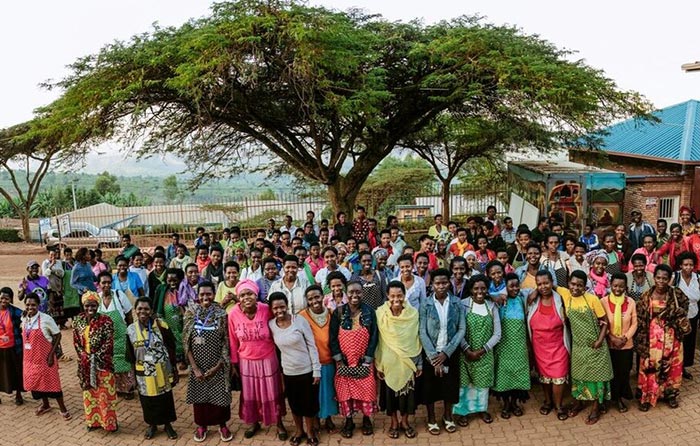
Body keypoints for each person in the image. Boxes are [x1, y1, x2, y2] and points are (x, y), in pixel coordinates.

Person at [228, 279, 287, 440]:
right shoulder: (233, 313)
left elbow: (279, 327)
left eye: (250, 294)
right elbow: (232, 340)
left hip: (268, 359)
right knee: (250, 394)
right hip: (246, 361)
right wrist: (234, 362)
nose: (246, 298)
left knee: (272, 392)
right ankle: (254, 422)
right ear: (238, 297)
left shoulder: (266, 309)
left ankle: (279, 423)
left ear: (256, 295)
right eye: (242, 295)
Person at [558, 271, 613, 425]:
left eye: (580, 285)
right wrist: (535, 292)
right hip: (578, 347)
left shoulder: (592, 299)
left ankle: (596, 407)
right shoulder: (565, 294)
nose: (575, 288)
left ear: (585, 286)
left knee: (596, 377)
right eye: (573, 284)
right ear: (568, 283)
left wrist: (600, 341)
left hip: (595, 346)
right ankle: (579, 402)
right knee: (579, 376)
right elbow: (549, 285)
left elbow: (605, 321)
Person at [269, 292, 322, 446]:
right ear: (271, 309)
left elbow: (312, 345)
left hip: (306, 371)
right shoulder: (271, 325)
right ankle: (299, 431)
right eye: (275, 308)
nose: (279, 310)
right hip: (289, 372)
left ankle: (311, 431)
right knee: (295, 405)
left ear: (287, 305)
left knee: (309, 405)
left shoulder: (300, 321)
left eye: (282, 306)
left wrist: (316, 370)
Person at [183, 281, 234, 442]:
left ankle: (223, 425)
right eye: (202, 294)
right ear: (198, 296)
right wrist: (195, 368)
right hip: (197, 365)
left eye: (209, 294)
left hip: (218, 364)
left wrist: (218, 366)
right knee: (200, 398)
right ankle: (202, 426)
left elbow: (226, 342)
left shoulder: (221, 313)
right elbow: (186, 343)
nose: (206, 297)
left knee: (220, 397)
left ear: (213, 294)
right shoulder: (191, 313)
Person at [636, 264, 690, 410]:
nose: (661, 281)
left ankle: (670, 395)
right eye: (658, 278)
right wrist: (641, 341)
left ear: (669, 279)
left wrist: (673, 317)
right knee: (650, 365)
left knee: (672, 366)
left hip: (672, 337)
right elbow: (640, 319)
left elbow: (685, 306)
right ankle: (647, 397)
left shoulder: (676, 294)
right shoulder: (646, 296)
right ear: (653, 278)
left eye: (664, 278)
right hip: (651, 338)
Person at [419, 268, 466, 435]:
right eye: (437, 283)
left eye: (444, 282)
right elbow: (422, 331)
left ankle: (447, 417)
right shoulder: (425, 303)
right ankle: (431, 418)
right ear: (432, 284)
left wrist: (446, 353)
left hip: (450, 352)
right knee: (430, 388)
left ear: (449, 282)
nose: (441, 286)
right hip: (430, 353)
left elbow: (461, 329)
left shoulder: (456, 303)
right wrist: (433, 356)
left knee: (450, 386)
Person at [330, 280, 379, 438]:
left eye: (358, 292)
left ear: (362, 293)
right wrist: (339, 359)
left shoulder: (370, 312)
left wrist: (368, 358)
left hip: (364, 360)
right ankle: (349, 421)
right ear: (346, 293)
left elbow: (374, 337)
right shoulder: (338, 312)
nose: (354, 295)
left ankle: (366, 420)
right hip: (344, 361)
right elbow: (332, 339)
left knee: (367, 390)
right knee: (345, 393)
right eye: (351, 292)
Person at [127, 297, 180, 439]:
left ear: (151, 311)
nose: (143, 311)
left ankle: (168, 425)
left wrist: (174, 368)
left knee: (165, 397)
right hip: (143, 370)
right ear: (135, 311)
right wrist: (132, 376)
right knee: (147, 399)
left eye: (146, 309)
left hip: (162, 368)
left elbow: (171, 346)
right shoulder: (131, 330)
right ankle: (152, 425)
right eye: (140, 308)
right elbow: (130, 355)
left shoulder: (161, 325)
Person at [375, 281, 421, 439]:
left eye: (399, 295)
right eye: (393, 296)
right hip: (388, 362)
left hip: (408, 362)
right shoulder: (380, 313)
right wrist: (379, 364)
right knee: (390, 396)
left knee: (407, 396)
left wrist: (419, 363)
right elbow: (378, 340)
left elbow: (416, 339)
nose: (396, 299)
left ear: (404, 295)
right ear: (387, 296)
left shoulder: (413, 314)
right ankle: (394, 422)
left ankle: (405, 422)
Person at [453, 274, 501, 426]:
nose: (479, 291)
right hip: (465, 353)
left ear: (487, 290)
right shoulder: (462, 305)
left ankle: (482, 409)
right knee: (464, 384)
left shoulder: (492, 306)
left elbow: (497, 334)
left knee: (482, 384)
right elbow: (458, 330)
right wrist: (467, 350)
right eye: (476, 288)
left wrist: (482, 350)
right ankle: (463, 412)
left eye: (483, 288)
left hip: (485, 354)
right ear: (471, 290)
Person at [526, 270, 570, 421]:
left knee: (558, 376)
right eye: (539, 284)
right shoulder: (531, 300)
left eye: (546, 283)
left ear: (552, 282)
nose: (543, 286)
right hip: (539, 347)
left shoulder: (561, 298)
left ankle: (558, 405)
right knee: (544, 377)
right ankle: (548, 401)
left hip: (559, 345)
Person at [72, 291, 118, 432]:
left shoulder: (106, 321)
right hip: (85, 365)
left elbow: (108, 342)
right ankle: (93, 422)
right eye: (87, 305)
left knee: (105, 395)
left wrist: (94, 357)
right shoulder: (78, 320)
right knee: (89, 394)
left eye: (93, 305)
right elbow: (76, 341)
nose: (90, 308)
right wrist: (84, 356)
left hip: (102, 364)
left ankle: (109, 423)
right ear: (83, 305)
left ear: (97, 306)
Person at [22, 293, 71, 420]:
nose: (30, 307)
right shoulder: (25, 319)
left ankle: (63, 409)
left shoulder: (45, 319)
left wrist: (51, 354)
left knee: (53, 384)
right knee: (37, 384)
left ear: (38, 305)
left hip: (45, 358)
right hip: (30, 359)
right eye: (28, 305)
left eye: (33, 305)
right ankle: (45, 405)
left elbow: (57, 335)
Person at [300, 285, 339, 434]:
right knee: (313, 394)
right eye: (310, 299)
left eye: (317, 297)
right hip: (311, 364)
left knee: (329, 392)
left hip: (329, 360)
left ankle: (328, 419)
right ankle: (315, 420)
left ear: (323, 296)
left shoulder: (331, 313)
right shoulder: (302, 316)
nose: (314, 301)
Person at [493, 274, 530, 418]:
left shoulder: (522, 298)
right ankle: (506, 404)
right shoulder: (500, 299)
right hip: (503, 344)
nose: (514, 288)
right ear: (505, 287)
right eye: (511, 286)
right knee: (503, 373)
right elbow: (486, 295)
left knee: (518, 373)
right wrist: (498, 296)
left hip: (519, 345)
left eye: (516, 285)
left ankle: (515, 402)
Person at [600, 273, 637, 412]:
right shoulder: (603, 301)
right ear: (610, 286)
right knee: (608, 373)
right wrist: (612, 338)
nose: (618, 288)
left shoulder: (631, 302)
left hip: (626, 345)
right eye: (615, 285)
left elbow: (635, 323)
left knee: (623, 373)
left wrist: (625, 338)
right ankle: (605, 400)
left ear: (625, 287)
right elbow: (602, 323)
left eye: (621, 286)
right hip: (609, 345)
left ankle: (619, 399)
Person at [96, 270, 135, 399]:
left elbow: (129, 315)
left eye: (108, 282)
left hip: (121, 336)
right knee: (111, 363)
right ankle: (118, 388)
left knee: (125, 362)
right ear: (99, 284)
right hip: (106, 340)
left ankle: (128, 389)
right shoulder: (97, 298)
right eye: (103, 283)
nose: (106, 285)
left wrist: (130, 332)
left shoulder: (119, 295)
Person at [673, 251, 700, 380]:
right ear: (680, 265)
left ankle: (683, 367)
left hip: (693, 315)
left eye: (691, 265)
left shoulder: (698, 278)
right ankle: (675, 369)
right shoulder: (675, 277)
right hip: (678, 318)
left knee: (689, 344)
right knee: (678, 344)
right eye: (685, 264)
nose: (688, 267)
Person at [153, 268, 186, 369]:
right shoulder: (162, 289)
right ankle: (173, 365)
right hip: (167, 321)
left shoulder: (183, 290)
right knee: (169, 342)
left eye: (175, 280)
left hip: (180, 321)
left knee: (182, 340)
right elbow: (156, 304)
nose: (172, 283)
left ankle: (183, 361)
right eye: (169, 280)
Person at [0, 287, 23, 405]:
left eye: (7, 298)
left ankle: (18, 394)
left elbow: (26, 318)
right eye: (2, 298)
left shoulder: (15, 312)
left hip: (14, 347)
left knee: (16, 370)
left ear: (11, 300)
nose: (4, 301)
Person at [42, 248, 66, 328]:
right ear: (48, 255)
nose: (53, 256)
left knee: (60, 305)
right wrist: (51, 265)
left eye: (54, 254)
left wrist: (54, 270)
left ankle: (62, 323)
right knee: (52, 305)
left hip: (58, 287)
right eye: (51, 254)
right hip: (50, 288)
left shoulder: (59, 262)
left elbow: (62, 274)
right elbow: (45, 274)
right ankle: (54, 324)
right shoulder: (45, 263)